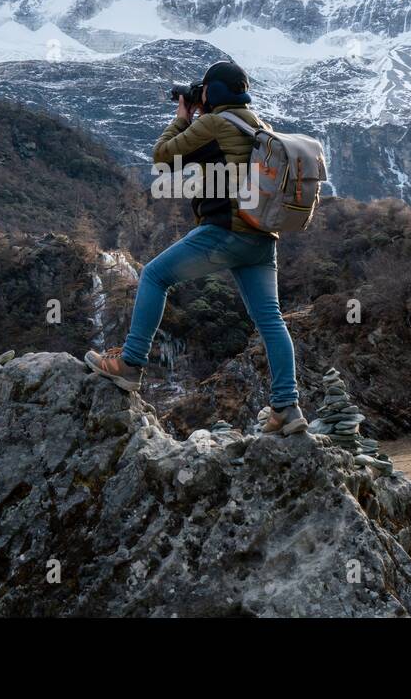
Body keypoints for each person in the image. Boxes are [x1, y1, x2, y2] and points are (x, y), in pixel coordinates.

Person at [84, 60, 307, 435]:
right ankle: (288, 407)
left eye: (203, 90)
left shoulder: (214, 123)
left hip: (224, 231)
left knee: (154, 276)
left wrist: (182, 116)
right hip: (261, 238)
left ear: (211, 93)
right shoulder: (257, 125)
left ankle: (130, 364)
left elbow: (163, 156)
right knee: (270, 319)